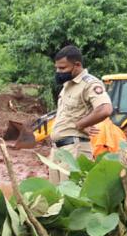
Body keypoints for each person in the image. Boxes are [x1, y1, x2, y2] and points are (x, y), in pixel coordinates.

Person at [49, 45, 114, 183]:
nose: (58, 72)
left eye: (62, 68)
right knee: (55, 197)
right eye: (57, 68)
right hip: (58, 149)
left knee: (71, 197)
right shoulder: (68, 85)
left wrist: (81, 124)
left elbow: (105, 109)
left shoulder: (89, 84)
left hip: (74, 149)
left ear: (77, 65)